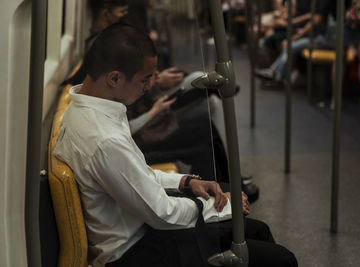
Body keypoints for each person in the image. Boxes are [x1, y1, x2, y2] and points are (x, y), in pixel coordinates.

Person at [54, 23, 297, 267]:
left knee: (254, 229)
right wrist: (220, 208)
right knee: (280, 258)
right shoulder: (103, 139)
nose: (150, 86)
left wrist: (187, 182)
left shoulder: (86, 110)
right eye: (145, 79)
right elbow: (162, 213)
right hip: (138, 251)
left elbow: (138, 175)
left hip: (144, 228)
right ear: (115, 78)